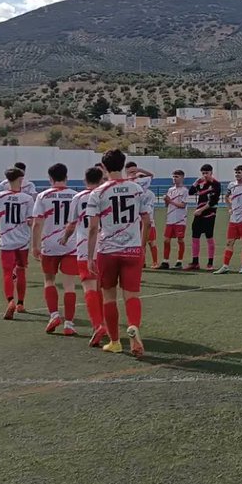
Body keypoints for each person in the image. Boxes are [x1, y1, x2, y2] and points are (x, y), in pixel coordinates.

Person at [86, 147, 153, 357]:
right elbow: (147, 221)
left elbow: (93, 228)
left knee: (109, 297)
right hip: (132, 249)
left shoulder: (97, 193)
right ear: (124, 165)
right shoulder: (137, 189)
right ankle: (133, 327)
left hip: (107, 251)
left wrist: (89, 256)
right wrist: (141, 247)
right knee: (132, 295)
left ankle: (115, 341)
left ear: (104, 167)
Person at [31, 162, 79, 335]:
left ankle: (54, 314)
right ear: (66, 177)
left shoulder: (43, 196)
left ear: (50, 179)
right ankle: (69, 324)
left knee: (49, 281)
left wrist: (35, 245)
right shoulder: (76, 196)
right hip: (70, 245)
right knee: (69, 284)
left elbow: (37, 223)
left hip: (49, 245)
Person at [64, 166, 108, 346]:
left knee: (88, 286)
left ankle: (97, 325)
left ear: (85, 179)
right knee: (101, 288)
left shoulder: (78, 197)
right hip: (106, 245)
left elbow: (72, 224)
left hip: (84, 246)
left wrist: (65, 237)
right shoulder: (106, 195)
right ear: (101, 179)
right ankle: (104, 323)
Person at [0, 166, 36, 318]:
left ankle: (10, 301)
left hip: (6, 240)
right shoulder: (27, 198)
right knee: (21, 271)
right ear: (20, 180)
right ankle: (21, 303)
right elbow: (31, 221)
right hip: (22, 241)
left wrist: (4, 220)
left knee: (7, 273)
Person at [125, 161, 159, 267]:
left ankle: (155, 262)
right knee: (134, 242)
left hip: (147, 218)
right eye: (131, 172)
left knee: (151, 241)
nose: (134, 173)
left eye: (135, 171)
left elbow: (151, 175)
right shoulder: (126, 184)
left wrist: (139, 171)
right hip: (133, 220)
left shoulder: (144, 184)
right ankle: (141, 261)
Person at [186, 164, 221, 270]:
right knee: (195, 237)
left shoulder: (216, 184)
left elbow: (213, 201)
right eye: (203, 173)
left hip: (209, 214)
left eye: (207, 173)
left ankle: (210, 263)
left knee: (209, 237)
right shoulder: (200, 182)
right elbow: (190, 192)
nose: (205, 175)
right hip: (199, 214)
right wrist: (196, 182)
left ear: (211, 172)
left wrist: (200, 210)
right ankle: (195, 262)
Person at [160, 170, 190, 269]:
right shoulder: (170, 190)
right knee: (166, 240)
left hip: (180, 219)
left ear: (182, 178)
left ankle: (179, 261)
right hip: (170, 219)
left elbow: (182, 205)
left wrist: (170, 201)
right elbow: (167, 205)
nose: (174, 178)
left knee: (180, 240)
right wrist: (166, 201)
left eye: (176, 176)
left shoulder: (184, 190)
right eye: (173, 176)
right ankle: (165, 261)